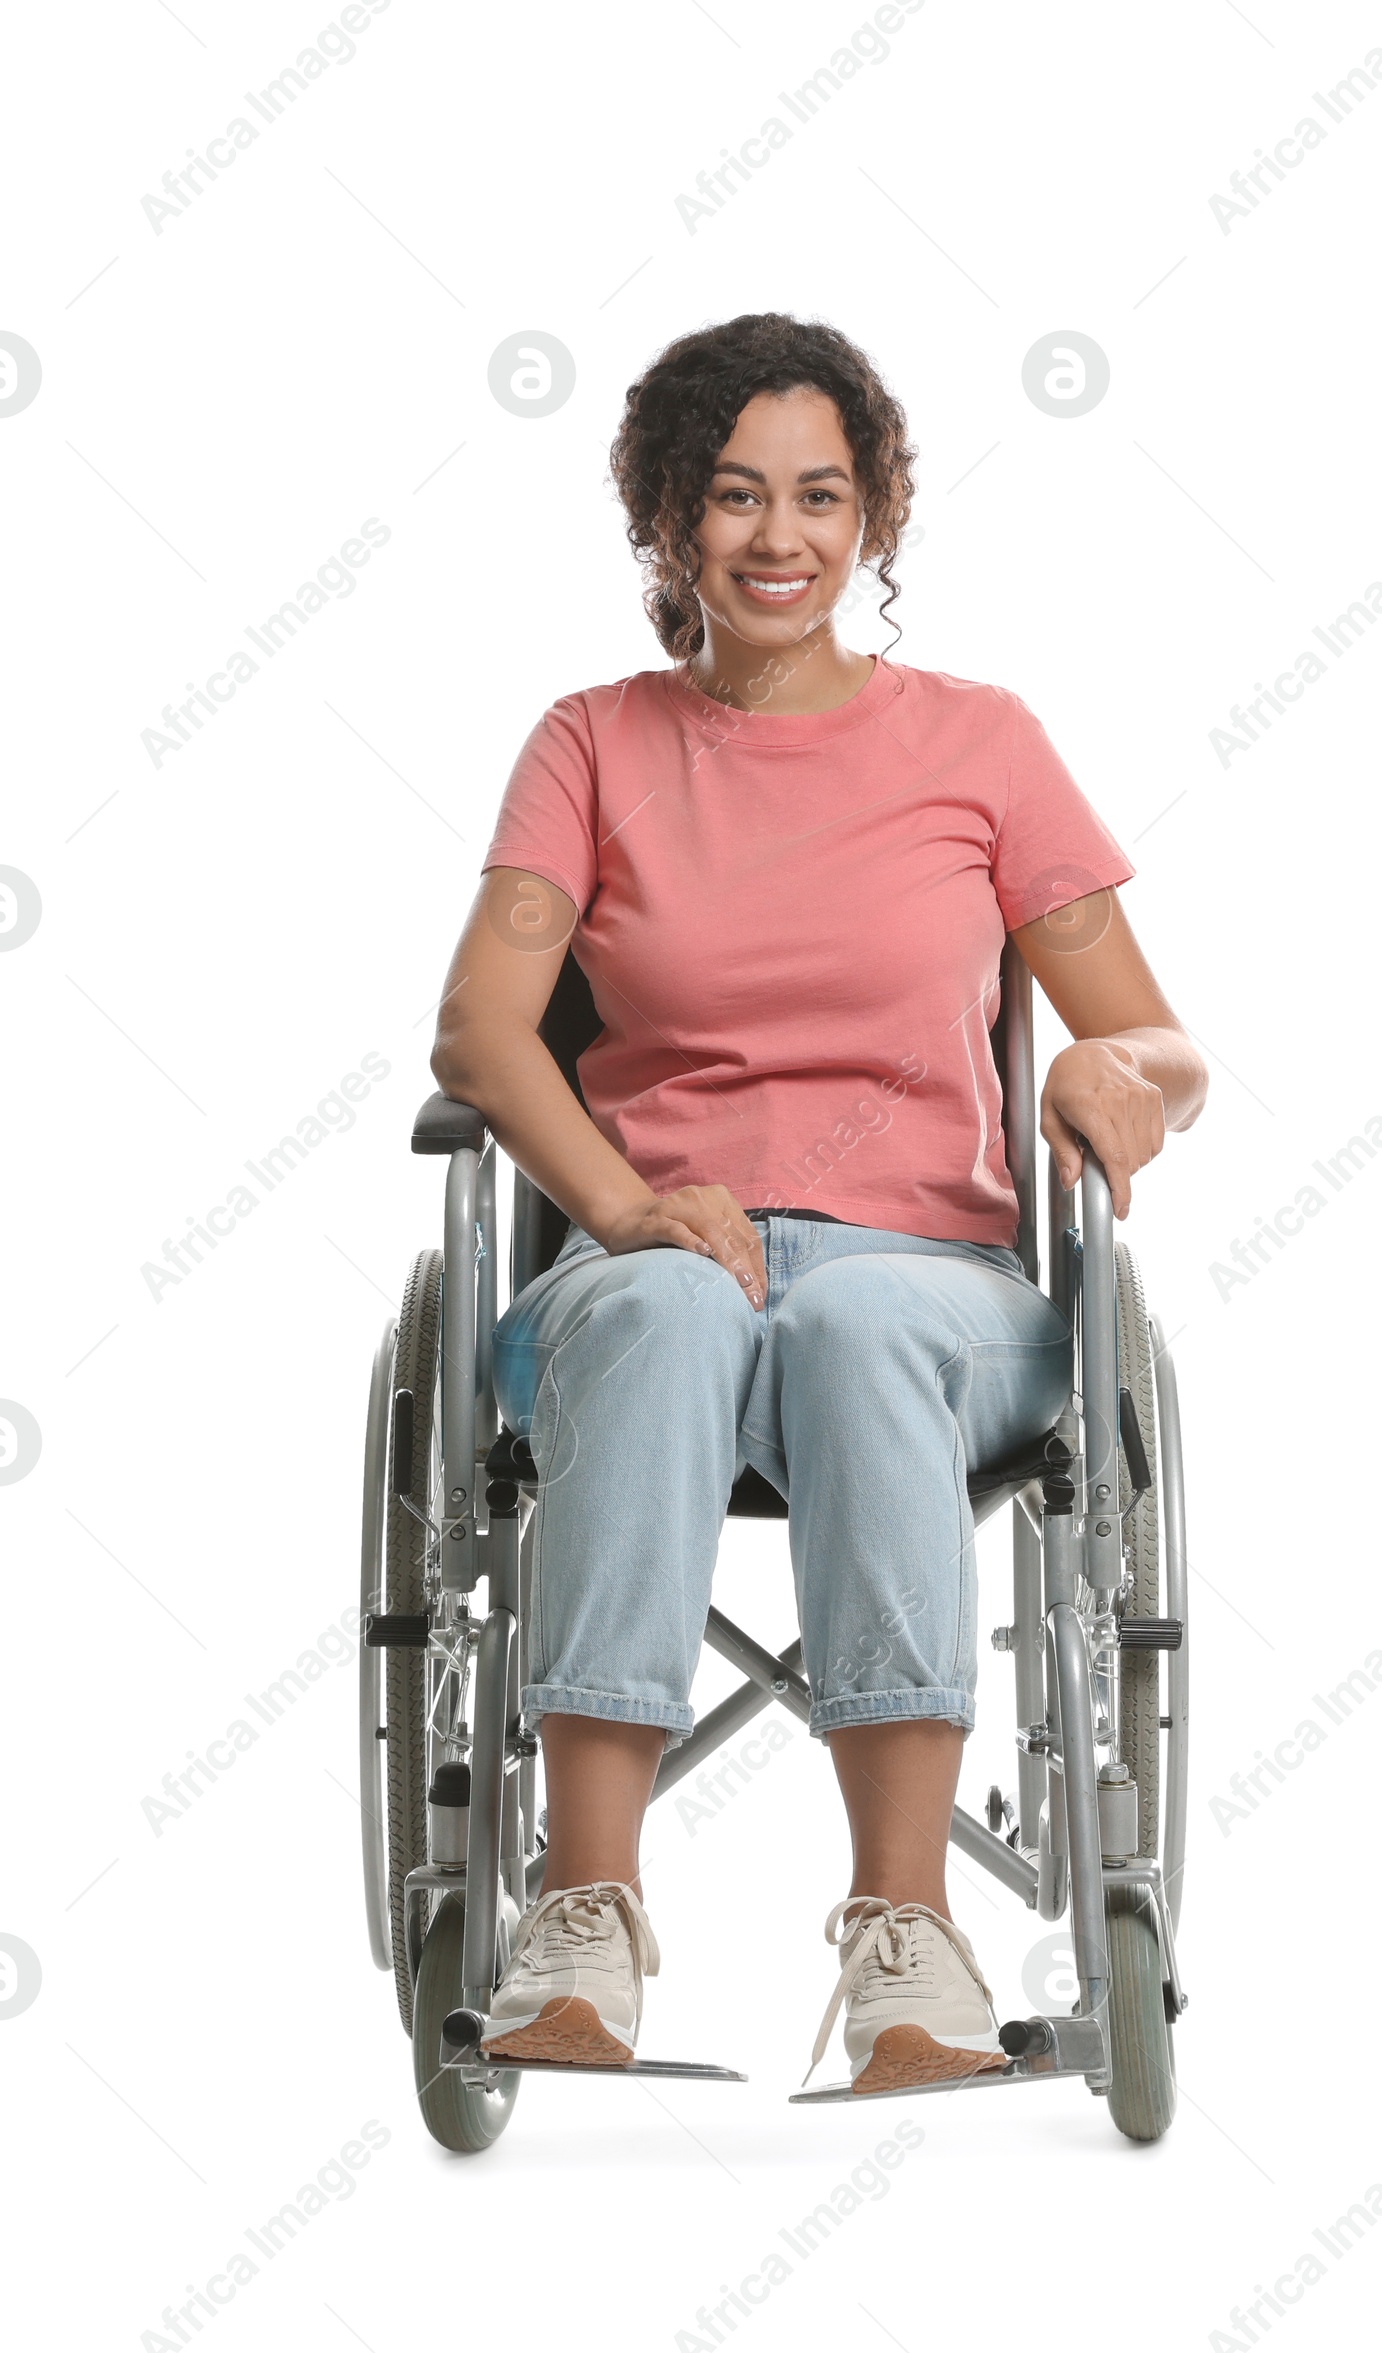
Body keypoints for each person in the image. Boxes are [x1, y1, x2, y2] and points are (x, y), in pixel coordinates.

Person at [429, 311, 1207, 2093]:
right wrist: (622, 1209)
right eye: (733, 497)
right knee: (676, 1306)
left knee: (854, 1315)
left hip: (925, 1281)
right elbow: (481, 1025)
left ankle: (905, 1938)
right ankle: (584, 1912)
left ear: (876, 518)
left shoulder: (980, 742)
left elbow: (1157, 1031)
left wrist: (1117, 1081)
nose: (778, 539)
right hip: (653, 1258)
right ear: (665, 520)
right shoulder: (594, 744)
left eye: (820, 496)